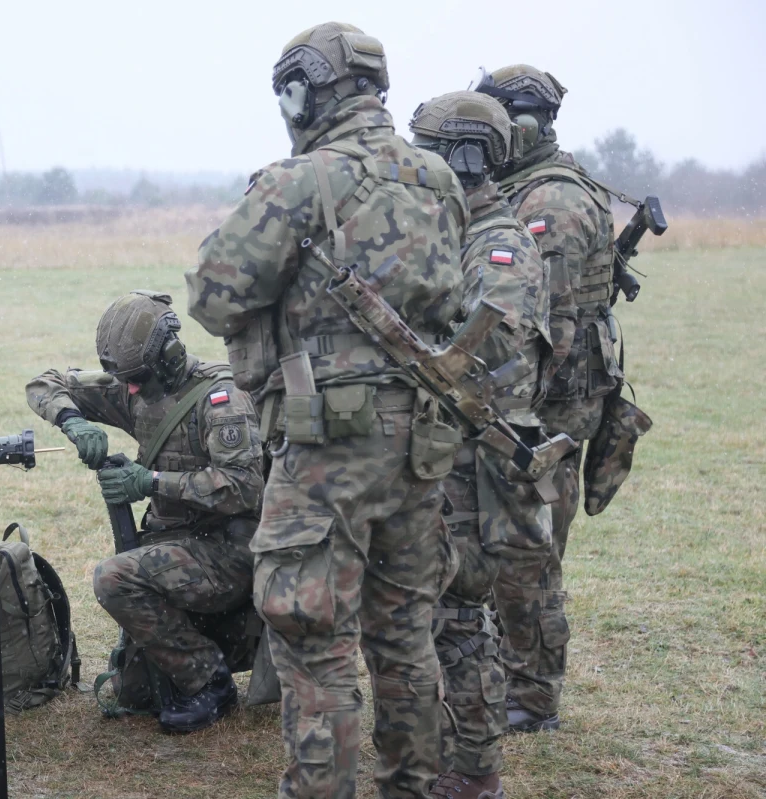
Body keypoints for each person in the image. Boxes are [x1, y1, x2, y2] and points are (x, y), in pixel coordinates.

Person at [186, 23, 468, 799]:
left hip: (325, 450)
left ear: (301, 91)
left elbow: (212, 295)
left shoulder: (301, 181)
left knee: (315, 645)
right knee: (407, 635)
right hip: (419, 445)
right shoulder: (438, 179)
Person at [409, 91, 558, 799]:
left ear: (459, 155)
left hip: (483, 452)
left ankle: (475, 763)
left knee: (471, 605)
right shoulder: (455, 230)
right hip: (454, 447)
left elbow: (490, 347)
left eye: (425, 149)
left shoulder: (495, 243)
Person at [26, 290, 263, 733]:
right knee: (135, 692)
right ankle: (194, 656)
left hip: (231, 550)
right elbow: (44, 384)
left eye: (137, 377)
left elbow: (244, 488)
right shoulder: (136, 388)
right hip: (178, 547)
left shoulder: (221, 401)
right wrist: (72, 421)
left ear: (169, 355)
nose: (129, 388)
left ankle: (209, 680)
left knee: (114, 577)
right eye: (125, 378)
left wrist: (152, 483)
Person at [474, 66, 619, 733]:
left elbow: (545, 331)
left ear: (522, 124)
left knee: (529, 553)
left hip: (548, 411)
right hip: (536, 405)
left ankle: (531, 698)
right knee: (512, 548)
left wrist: (505, 418)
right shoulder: (528, 187)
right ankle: (510, 677)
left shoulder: (551, 204)